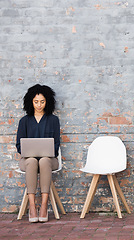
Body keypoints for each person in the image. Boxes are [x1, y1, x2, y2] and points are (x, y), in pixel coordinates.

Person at [16, 84, 60, 223]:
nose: (39, 105)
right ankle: (33, 206)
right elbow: (19, 145)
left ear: (47, 102)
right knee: (32, 161)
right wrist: (28, 152)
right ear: (31, 101)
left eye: (42, 101)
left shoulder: (53, 120)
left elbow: (57, 144)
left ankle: (44, 205)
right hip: (28, 161)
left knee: (44, 160)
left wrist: (48, 152)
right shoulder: (24, 121)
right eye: (36, 102)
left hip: (49, 160)